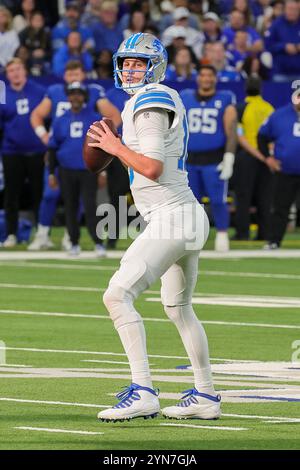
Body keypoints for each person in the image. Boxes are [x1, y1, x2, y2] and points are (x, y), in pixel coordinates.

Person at [87, 33, 220, 422]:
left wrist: (114, 148)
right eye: (126, 62)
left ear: (154, 67)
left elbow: (152, 167)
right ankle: (207, 395)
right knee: (178, 308)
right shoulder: (145, 101)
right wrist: (118, 148)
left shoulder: (150, 101)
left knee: (116, 296)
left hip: (174, 216)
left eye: (138, 63)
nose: (130, 69)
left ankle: (143, 390)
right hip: (185, 215)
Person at [29, 60, 121, 251]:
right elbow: (36, 115)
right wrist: (45, 138)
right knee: (51, 196)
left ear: (84, 76)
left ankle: (78, 239)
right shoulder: (55, 96)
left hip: (85, 163)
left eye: (77, 74)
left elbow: (115, 116)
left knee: (86, 203)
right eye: (70, 75)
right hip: (63, 160)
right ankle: (43, 234)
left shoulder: (94, 97)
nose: (74, 79)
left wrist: (105, 147)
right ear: (64, 77)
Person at [180, 65, 237, 252]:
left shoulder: (225, 98)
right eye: (203, 75)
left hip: (214, 159)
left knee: (218, 200)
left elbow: (232, 131)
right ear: (198, 78)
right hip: (190, 159)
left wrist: (229, 157)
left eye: (209, 75)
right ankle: (192, 236)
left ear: (215, 78)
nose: (206, 79)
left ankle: (221, 234)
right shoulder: (186, 97)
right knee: (190, 202)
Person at [48, 81, 105, 257]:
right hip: (66, 170)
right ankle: (74, 242)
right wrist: (51, 172)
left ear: (84, 97)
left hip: (88, 170)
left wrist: (102, 170)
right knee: (70, 207)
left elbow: (103, 147)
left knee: (89, 206)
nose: (75, 97)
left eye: (79, 94)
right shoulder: (60, 119)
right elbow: (52, 147)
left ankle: (98, 243)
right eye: (72, 94)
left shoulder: (94, 117)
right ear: (68, 97)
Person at [0, 58, 46, 248]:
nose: (15, 73)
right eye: (11, 71)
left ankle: (41, 234)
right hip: (12, 151)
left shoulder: (39, 91)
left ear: (25, 70)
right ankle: (11, 233)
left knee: (39, 194)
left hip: (37, 150)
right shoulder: (2, 94)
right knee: (12, 194)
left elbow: (48, 119)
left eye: (18, 69)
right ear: (7, 74)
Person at [233, 75, 274, 240]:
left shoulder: (241, 107)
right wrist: (267, 157)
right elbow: (273, 137)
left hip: (247, 156)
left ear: (245, 89)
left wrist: (257, 155)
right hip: (266, 158)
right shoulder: (269, 108)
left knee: (243, 196)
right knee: (265, 197)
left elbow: (240, 137)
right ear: (261, 89)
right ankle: (264, 233)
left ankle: (242, 233)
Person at [258, 93, 300, 249]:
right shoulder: (279, 115)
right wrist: (268, 158)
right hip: (285, 170)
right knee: (280, 207)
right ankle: (274, 241)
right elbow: (261, 137)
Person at [264, 0, 300, 82]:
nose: (292, 12)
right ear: (284, 10)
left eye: (295, 10)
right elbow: (267, 45)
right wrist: (284, 47)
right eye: (290, 9)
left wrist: (298, 47)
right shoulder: (276, 24)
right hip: (280, 73)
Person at [0, 5, 20, 72]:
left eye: (3, 16)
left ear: (7, 18)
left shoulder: (13, 33)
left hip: (11, 61)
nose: (1, 18)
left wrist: (9, 62)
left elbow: (16, 48)